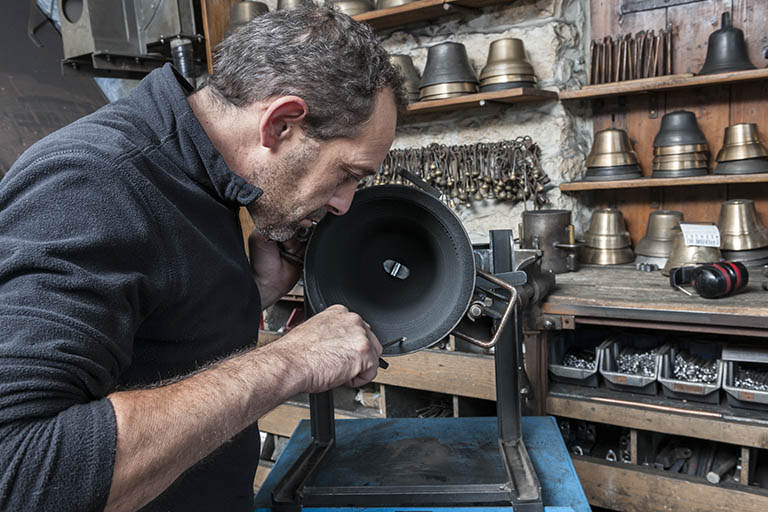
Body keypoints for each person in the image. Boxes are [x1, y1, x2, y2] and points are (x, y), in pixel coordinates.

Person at [0, 5, 406, 512]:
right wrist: (292, 360)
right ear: (280, 123)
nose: (345, 202)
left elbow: (147, 348)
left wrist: (244, 295)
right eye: (347, 173)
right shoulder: (89, 184)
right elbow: (20, 473)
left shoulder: (200, 178)